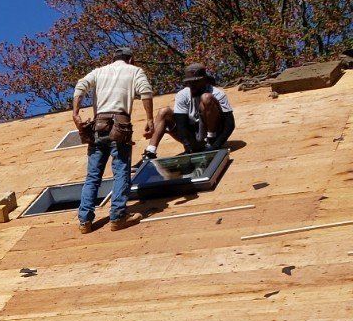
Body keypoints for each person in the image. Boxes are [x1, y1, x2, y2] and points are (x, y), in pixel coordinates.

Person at [72, 47, 153, 233]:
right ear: (131, 59)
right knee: (121, 171)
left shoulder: (99, 72)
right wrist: (149, 120)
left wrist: (75, 113)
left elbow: (80, 86)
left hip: (98, 125)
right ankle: (118, 217)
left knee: (93, 176)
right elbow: (146, 93)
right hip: (120, 125)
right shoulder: (135, 71)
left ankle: (85, 221)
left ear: (112, 58)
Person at [143, 62, 236, 162]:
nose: (191, 85)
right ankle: (150, 153)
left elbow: (230, 124)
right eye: (189, 82)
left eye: (195, 82)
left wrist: (217, 145)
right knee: (164, 112)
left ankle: (211, 139)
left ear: (204, 80)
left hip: (212, 133)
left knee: (206, 98)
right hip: (192, 135)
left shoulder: (217, 93)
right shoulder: (182, 95)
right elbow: (181, 124)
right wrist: (188, 146)